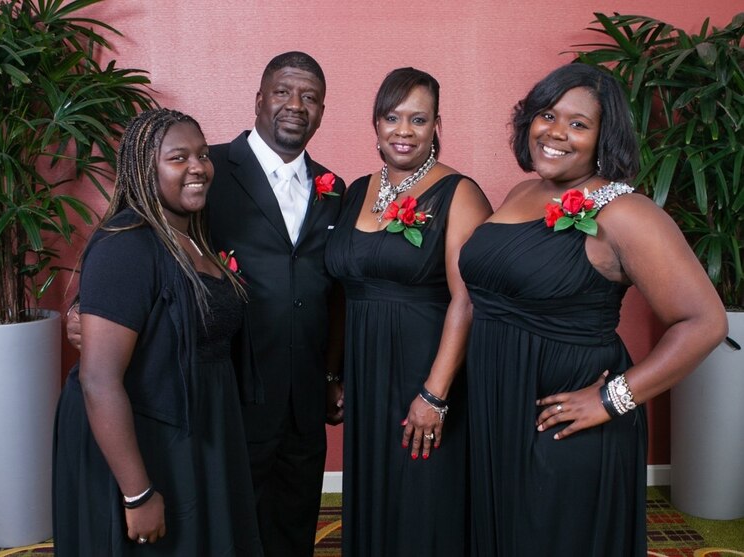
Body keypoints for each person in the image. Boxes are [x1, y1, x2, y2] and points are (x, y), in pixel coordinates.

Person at [459, 63, 728, 556]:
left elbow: (706, 323)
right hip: (498, 407)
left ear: (605, 137)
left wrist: (612, 399)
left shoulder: (625, 213)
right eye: (547, 114)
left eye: (579, 124)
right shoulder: (525, 192)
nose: (556, 132)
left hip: (562, 424)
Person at [53, 108, 262, 556]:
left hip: (194, 430)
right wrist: (138, 493)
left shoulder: (191, 235)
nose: (198, 168)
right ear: (144, 169)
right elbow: (98, 379)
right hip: (145, 441)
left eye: (204, 156)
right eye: (178, 157)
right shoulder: (125, 243)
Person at [325, 67, 492, 556]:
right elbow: (340, 290)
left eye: (418, 119)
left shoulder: (458, 193)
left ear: (437, 125)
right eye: (392, 117)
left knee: (424, 499)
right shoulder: (355, 190)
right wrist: (333, 372)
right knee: (376, 493)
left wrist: (435, 394)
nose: (403, 131)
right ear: (375, 123)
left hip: (425, 372)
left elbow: (469, 299)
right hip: (365, 376)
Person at [206, 52, 345, 557]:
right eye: (284, 92)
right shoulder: (211, 167)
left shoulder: (335, 188)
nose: (296, 105)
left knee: (294, 520)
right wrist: (83, 302)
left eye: (309, 97)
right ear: (259, 99)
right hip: (233, 388)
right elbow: (147, 230)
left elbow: (337, 291)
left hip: (304, 394)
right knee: (233, 523)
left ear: (322, 111)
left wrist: (332, 374)